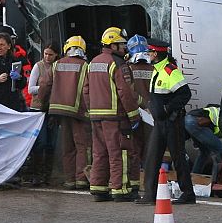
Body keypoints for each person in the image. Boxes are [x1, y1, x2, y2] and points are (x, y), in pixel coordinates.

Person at [135, 39, 194, 206]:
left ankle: (188, 194)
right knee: (152, 156)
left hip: (172, 122)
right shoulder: (158, 70)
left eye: (150, 52)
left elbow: (185, 94)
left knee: (178, 158)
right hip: (160, 123)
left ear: (156, 53)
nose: (148, 55)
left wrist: (168, 109)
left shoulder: (170, 71)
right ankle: (149, 194)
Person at [85, 27, 141, 202]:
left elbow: (85, 90)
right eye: (121, 44)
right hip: (115, 117)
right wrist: (134, 115)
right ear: (113, 45)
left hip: (96, 116)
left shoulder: (93, 62)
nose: (124, 47)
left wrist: (91, 109)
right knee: (119, 152)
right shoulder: (118, 64)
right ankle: (120, 189)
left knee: (99, 153)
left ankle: (98, 188)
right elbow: (125, 92)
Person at [43, 36, 91, 190]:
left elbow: (45, 85)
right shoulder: (85, 66)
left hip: (60, 112)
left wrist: (44, 105)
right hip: (79, 112)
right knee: (82, 146)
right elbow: (87, 90)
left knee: (67, 146)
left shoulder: (56, 65)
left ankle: (70, 180)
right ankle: (81, 179)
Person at [27, 41, 59, 185]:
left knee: (51, 143)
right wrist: (45, 88)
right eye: (45, 54)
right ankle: (36, 173)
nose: (47, 57)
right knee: (41, 142)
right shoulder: (38, 66)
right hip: (38, 108)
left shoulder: (58, 66)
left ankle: (47, 175)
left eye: (50, 55)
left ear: (56, 55)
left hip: (53, 108)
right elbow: (30, 89)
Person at [126, 34, 153, 195]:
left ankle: (136, 182)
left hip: (135, 113)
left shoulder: (128, 68)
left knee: (134, 149)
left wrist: (142, 104)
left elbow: (129, 92)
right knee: (150, 149)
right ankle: (149, 182)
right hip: (152, 115)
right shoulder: (154, 68)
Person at [185, 105, 222, 175]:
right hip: (195, 122)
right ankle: (217, 178)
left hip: (189, 120)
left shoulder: (221, 111)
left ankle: (195, 175)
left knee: (205, 152)